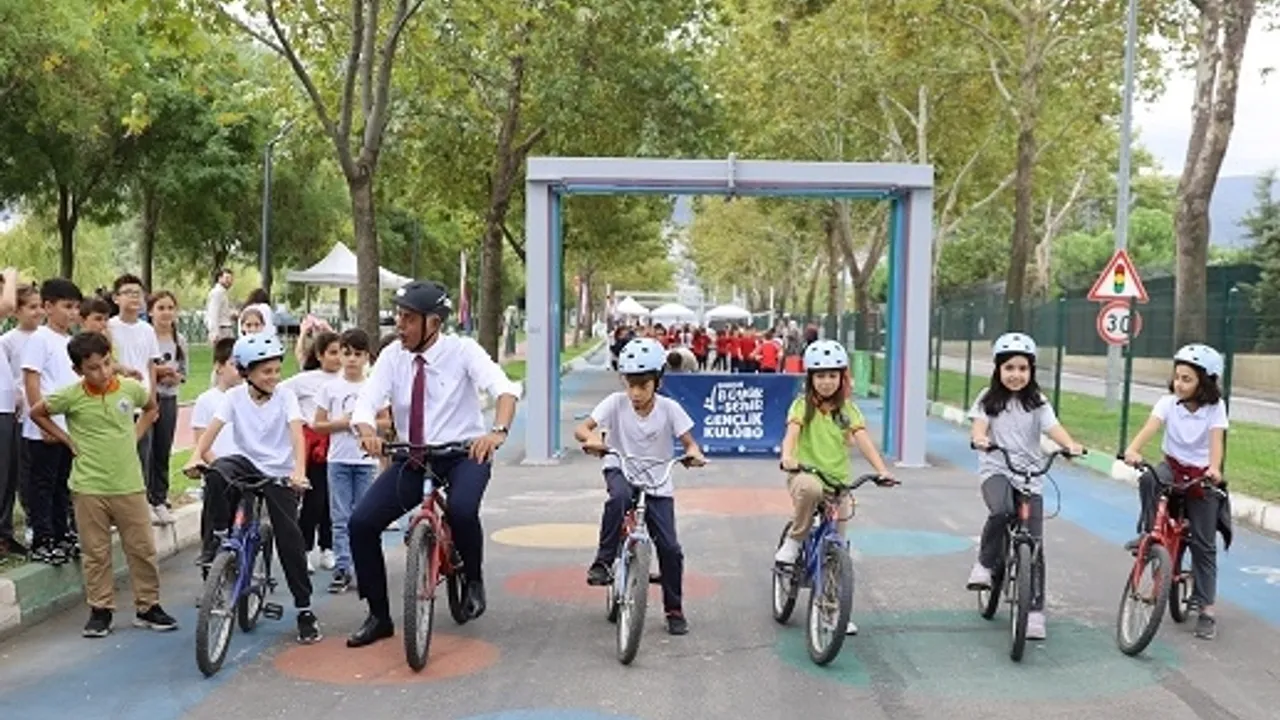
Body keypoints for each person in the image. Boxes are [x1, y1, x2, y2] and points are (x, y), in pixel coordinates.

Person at [344, 280, 519, 648]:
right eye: (399, 316)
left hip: (464, 453)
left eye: (409, 319)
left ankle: (473, 580)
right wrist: (367, 432)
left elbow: (504, 390)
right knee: (361, 524)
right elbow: (366, 402)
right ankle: (378, 616)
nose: (400, 325)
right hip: (414, 455)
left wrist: (497, 432)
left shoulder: (463, 351)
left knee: (462, 510)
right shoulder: (393, 356)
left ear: (434, 323)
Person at [29, 332, 178, 637]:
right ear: (78, 370)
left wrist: (135, 434)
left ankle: (148, 606)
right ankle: (100, 609)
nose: (103, 372)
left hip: (129, 484)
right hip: (89, 486)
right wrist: (66, 439)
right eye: (93, 368)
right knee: (95, 553)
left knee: (142, 549)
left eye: (107, 363)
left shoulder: (129, 388)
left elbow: (151, 407)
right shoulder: (71, 396)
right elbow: (37, 412)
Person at [183, 332, 321, 644]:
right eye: (266, 371)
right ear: (246, 372)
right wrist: (195, 457)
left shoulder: (285, 396)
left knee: (290, 538)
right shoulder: (234, 397)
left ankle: (304, 609)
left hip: (279, 471)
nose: (274, 377)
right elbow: (211, 432)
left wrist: (298, 472)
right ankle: (218, 539)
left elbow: (296, 435)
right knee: (217, 472)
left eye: (277, 370)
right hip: (246, 464)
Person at [574, 337, 706, 635]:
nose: (635, 393)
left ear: (657, 381)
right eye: (630, 384)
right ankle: (603, 561)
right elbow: (582, 428)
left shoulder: (670, 409)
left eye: (642, 385)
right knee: (619, 497)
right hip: (620, 466)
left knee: (670, 548)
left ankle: (674, 609)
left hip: (657, 479)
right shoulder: (615, 403)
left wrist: (694, 454)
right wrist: (592, 439)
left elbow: (690, 443)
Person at [964, 332, 1083, 642]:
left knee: (1035, 542)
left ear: (1031, 370)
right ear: (998, 369)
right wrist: (980, 439)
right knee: (1001, 510)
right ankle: (985, 564)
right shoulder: (987, 399)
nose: (1016, 375)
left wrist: (1069, 445)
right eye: (1009, 368)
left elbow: (1053, 428)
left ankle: (1034, 612)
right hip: (996, 469)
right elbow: (979, 426)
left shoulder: (1037, 402)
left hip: (1030, 474)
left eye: (1022, 368)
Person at [775, 339, 894, 636]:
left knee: (836, 549)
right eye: (820, 376)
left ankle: (831, 612)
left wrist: (882, 471)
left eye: (832, 375)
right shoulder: (802, 406)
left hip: (837, 484)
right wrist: (788, 457)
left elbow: (863, 441)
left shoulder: (848, 411)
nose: (826, 382)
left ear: (842, 378)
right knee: (811, 490)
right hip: (804, 475)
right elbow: (791, 435)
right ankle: (795, 540)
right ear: (810, 378)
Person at [1121, 343, 1231, 640]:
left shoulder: (1215, 408)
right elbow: (1150, 428)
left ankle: (1206, 610)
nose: (1179, 384)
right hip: (1173, 466)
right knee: (1149, 479)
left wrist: (1214, 469)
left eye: (1187, 379)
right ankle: (1148, 533)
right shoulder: (1167, 403)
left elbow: (1217, 442)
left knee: (1204, 545)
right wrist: (1133, 449)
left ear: (1204, 383)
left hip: (1201, 475)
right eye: (1177, 377)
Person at [312, 329, 384, 593]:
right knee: (340, 516)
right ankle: (343, 567)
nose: (352, 359)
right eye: (346, 353)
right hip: (338, 459)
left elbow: (387, 421)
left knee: (364, 516)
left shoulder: (374, 387)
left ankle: (365, 567)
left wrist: (365, 423)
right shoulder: (330, 388)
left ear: (367, 357)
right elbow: (317, 424)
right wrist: (341, 423)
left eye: (358, 354)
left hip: (366, 461)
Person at [22, 278, 84, 564]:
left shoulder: (70, 342)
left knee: (62, 483)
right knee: (42, 485)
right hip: (44, 428)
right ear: (48, 307)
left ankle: (62, 533)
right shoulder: (39, 339)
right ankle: (42, 538)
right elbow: (31, 381)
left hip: (66, 427)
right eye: (67, 307)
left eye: (76, 308)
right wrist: (42, 421)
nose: (73, 313)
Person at [282, 330, 341, 573]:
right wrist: (298, 421)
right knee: (314, 500)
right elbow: (281, 394)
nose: (338, 358)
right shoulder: (304, 380)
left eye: (342, 352)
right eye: (333, 352)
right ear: (319, 355)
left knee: (332, 501)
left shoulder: (347, 378)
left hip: (340, 445)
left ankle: (328, 547)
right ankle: (305, 548)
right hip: (315, 447)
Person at [107, 274, 165, 523]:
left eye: (138, 293)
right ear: (116, 298)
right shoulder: (109, 327)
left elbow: (150, 365)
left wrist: (152, 398)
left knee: (143, 454)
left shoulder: (147, 330)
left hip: (141, 402)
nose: (134, 297)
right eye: (128, 292)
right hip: (115, 399)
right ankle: (114, 508)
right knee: (116, 455)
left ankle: (141, 504)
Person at [146, 291, 187, 525]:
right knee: (145, 450)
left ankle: (159, 498)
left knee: (163, 448)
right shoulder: (145, 336)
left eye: (170, 308)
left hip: (169, 398)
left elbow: (184, 372)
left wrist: (175, 377)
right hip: (147, 399)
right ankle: (143, 498)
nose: (166, 313)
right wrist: (157, 373)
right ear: (151, 311)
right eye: (161, 308)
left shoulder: (179, 340)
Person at [0, 269, 21, 558]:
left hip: (7, 407)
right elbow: (7, 305)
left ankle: (4, 534)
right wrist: (11, 274)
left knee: (8, 476)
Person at [204, 268, 235, 343]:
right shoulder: (217, 292)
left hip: (225, 329)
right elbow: (213, 313)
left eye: (231, 279)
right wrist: (214, 332)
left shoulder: (223, 293)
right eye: (227, 278)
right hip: (221, 330)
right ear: (219, 278)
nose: (229, 281)